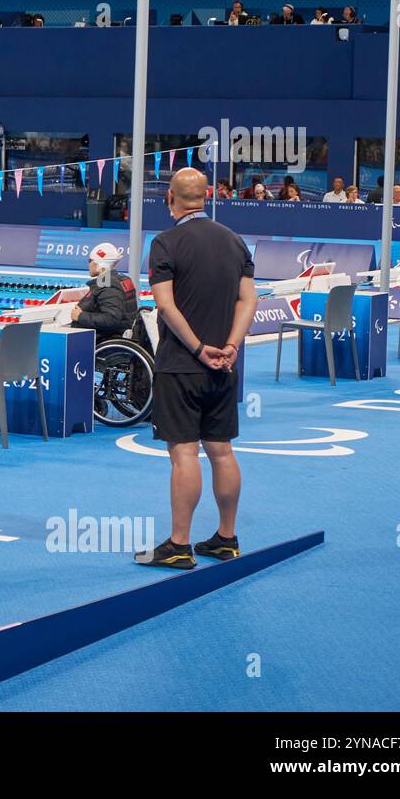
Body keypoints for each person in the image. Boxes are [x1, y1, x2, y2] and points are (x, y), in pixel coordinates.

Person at [136, 168, 257, 570]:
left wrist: (198, 348)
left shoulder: (165, 243)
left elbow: (166, 308)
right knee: (222, 452)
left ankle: (179, 544)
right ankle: (226, 538)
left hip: (181, 366)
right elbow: (248, 302)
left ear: (170, 198)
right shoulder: (235, 240)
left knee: (184, 453)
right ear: (207, 196)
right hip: (224, 366)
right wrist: (230, 346)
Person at [68, 242, 138, 339]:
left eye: (90, 260)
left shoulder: (108, 284)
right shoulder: (120, 279)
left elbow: (111, 318)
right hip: (113, 335)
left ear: (100, 265)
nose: (89, 264)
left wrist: (80, 316)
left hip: (104, 340)